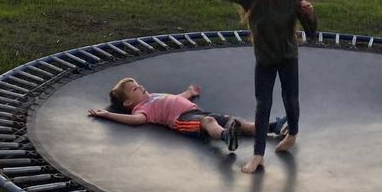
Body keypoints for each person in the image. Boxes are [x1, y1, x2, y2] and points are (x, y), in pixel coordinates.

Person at [217, 0, 317, 174]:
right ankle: (258, 155)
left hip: (288, 58)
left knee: (290, 99)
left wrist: (310, 15)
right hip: (264, 60)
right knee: (263, 105)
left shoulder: (295, 0)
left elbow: (311, 34)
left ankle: (292, 133)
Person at [88, 78, 261, 150]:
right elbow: (136, 120)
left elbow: (175, 98)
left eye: (139, 84)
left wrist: (189, 92)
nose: (140, 87)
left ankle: (271, 127)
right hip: (182, 120)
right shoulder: (141, 108)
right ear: (128, 102)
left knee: (234, 120)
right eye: (135, 89)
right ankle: (225, 136)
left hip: (195, 111)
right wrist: (108, 115)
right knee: (208, 121)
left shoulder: (154, 96)